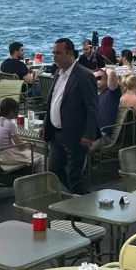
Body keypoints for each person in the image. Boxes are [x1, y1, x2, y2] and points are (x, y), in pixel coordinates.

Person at [42, 37, 99, 194]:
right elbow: (53, 101)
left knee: (74, 175)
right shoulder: (58, 73)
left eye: (58, 53)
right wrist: (46, 124)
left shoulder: (84, 75)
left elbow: (92, 108)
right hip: (56, 133)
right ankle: (79, 197)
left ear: (70, 54)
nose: (55, 57)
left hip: (75, 134)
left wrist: (88, 134)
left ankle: (80, 202)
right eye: (53, 53)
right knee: (54, 169)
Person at [0, 97, 43, 169]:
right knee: (41, 158)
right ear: (12, 112)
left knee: (29, 151)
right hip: (5, 156)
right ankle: (41, 176)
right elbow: (21, 146)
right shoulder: (10, 123)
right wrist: (30, 143)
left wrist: (25, 143)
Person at [94, 67, 122, 137]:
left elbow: (112, 73)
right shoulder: (93, 95)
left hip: (103, 134)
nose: (95, 81)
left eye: (98, 78)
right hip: (92, 131)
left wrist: (105, 69)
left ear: (107, 79)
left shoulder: (111, 93)